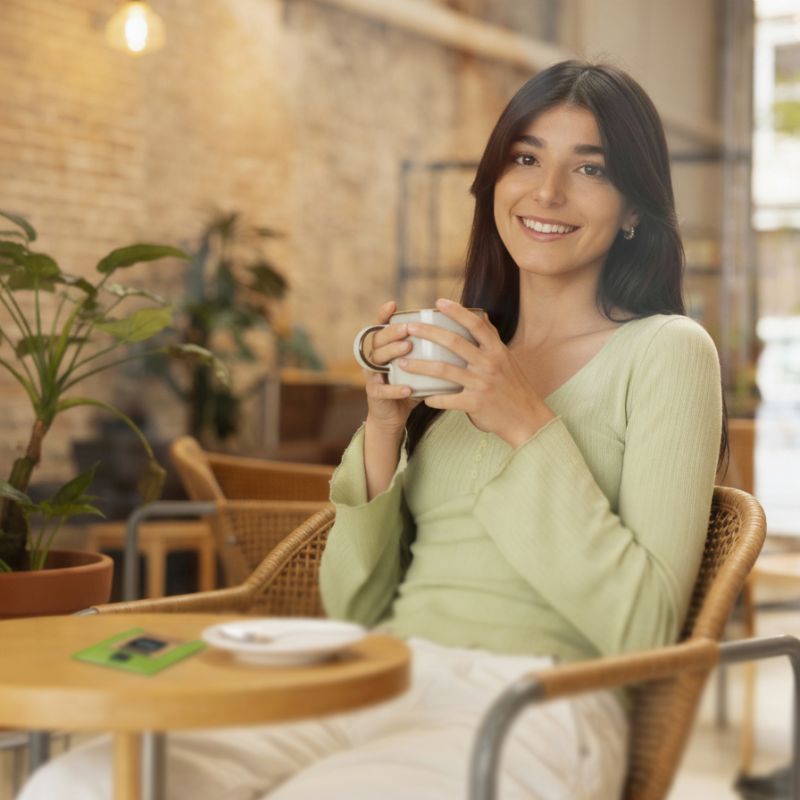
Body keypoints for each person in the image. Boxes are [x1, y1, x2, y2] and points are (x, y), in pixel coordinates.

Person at [20, 59, 723, 800]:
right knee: (78, 783)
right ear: (493, 185)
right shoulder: (463, 358)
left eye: (591, 168)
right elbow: (352, 610)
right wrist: (384, 428)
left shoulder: (668, 352)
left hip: (531, 703)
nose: (547, 192)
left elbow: (646, 634)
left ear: (636, 209)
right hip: (372, 673)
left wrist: (526, 423)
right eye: (525, 157)